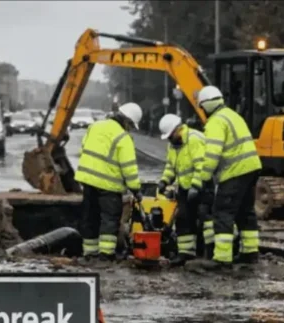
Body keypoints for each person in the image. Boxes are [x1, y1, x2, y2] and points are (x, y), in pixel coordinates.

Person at [192, 85, 262, 269]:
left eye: (201, 107)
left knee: (222, 212)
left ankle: (222, 258)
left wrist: (203, 179)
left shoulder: (215, 122)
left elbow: (212, 154)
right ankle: (250, 253)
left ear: (206, 105)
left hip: (234, 171)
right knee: (246, 212)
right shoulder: (233, 115)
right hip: (252, 168)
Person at [75, 102, 143, 261]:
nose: (130, 128)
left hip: (88, 181)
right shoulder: (123, 137)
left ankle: (89, 253)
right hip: (109, 185)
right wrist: (136, 189)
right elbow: (129, 167)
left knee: (90, 217)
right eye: (131, 125)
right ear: (126, 121)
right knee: (110, 219)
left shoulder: (95, 126)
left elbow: (83, 148)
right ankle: (106, 254)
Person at [156, 113, 206, 266]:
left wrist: (195, 186)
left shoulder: (194, 139)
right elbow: (171, 166)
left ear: (178, 129)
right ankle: (186, 253)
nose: (170, 140)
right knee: (183, 218)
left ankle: (207, 252)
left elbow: (201, 165)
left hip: (202, 186)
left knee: (204, 219)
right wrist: (165, 180)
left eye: (170, 136)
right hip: (185, 187)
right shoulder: (173, 145)